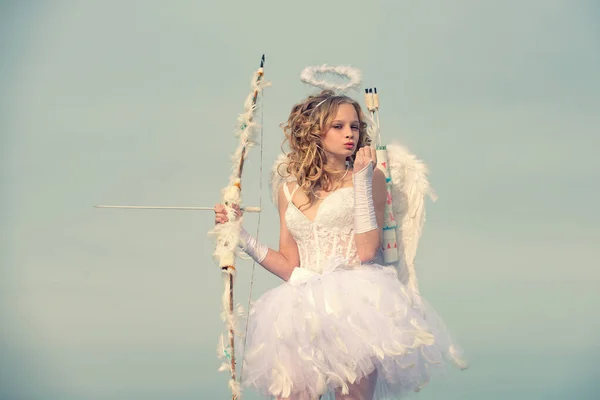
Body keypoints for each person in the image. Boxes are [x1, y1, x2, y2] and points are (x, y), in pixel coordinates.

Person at [214, 89, 466, 400]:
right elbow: (290, 265)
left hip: (355, 307)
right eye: (338, 126)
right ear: (313, 131)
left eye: (355, 126)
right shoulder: (288, 189)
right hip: (297, 309)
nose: (350, 134)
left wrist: (361, 179)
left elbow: (366, 251)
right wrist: (241, 237)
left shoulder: (369, 177)